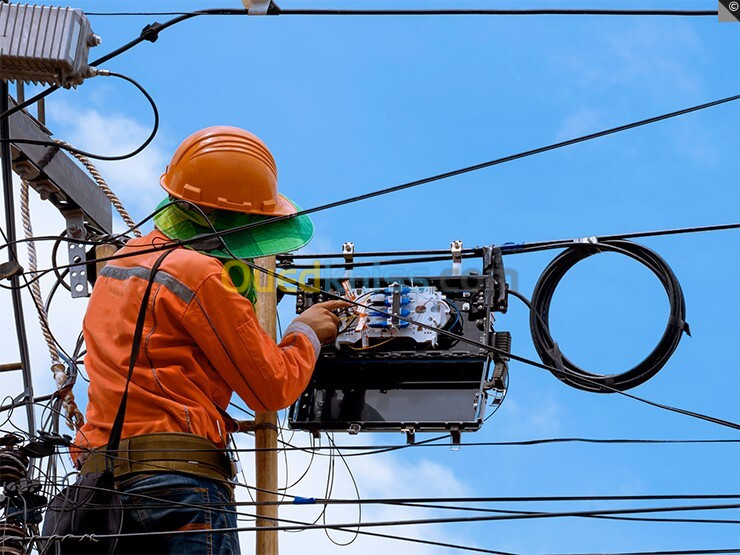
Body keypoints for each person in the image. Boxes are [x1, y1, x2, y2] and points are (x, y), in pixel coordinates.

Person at [70, 126, 345, 554]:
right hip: (177, 486)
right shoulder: (200, 276)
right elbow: (269, 387)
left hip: (98, 491)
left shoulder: (117, 268)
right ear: (229, 219)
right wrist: (305, 332)